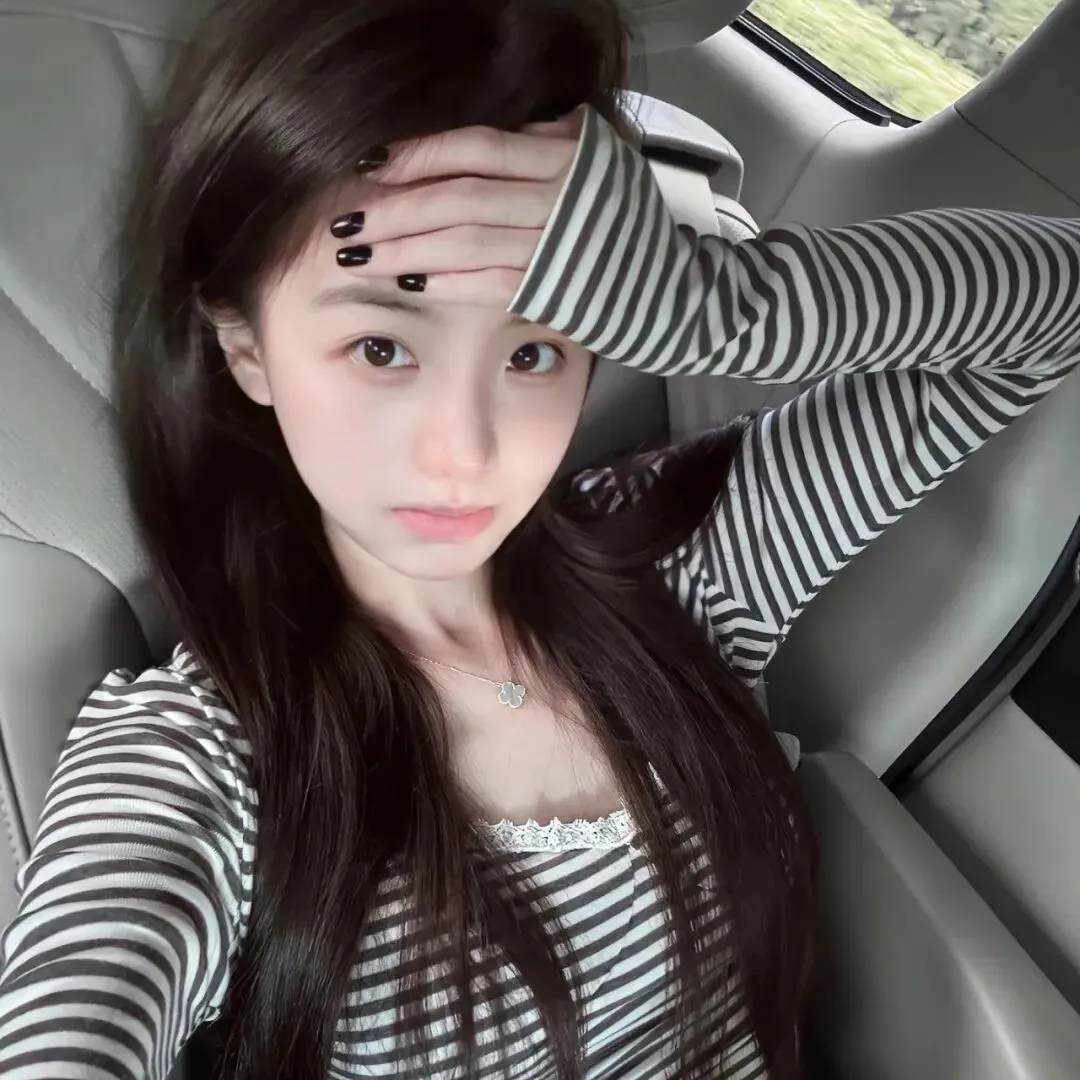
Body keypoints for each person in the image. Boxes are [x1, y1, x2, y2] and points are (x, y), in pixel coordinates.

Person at [1, 0, 1078, 1077]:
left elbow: (1054, 310)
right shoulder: (201, 757)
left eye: (532, 353)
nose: (463, 452)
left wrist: (717, 305)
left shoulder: (689, 561)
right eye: (381, 346)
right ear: (246, 348)